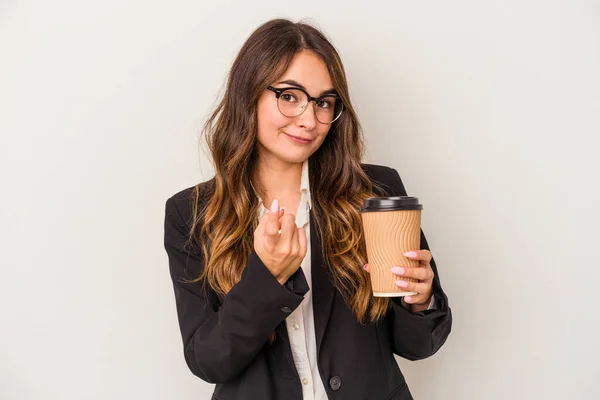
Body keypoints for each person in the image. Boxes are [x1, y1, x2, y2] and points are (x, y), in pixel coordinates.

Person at [163, 18, 452, 400]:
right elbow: (209, 360)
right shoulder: (192, 213)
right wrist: (264, 278)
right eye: (289, 96)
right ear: (248, 94)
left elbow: (417, 346)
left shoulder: (375, 192)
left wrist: (420, 300)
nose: (309, 119)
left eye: (323, 103)